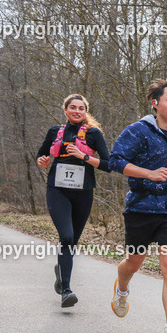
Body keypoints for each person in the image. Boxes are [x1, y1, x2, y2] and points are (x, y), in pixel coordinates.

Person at [108, 78, 167, 333]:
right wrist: (148, 173)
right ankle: (121, 288)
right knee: (134, 262)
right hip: (141, 207)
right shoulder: (138, 130)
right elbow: (115, 160)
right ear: (155, 103)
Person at [36, 94, 111, 308]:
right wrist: (42, 161)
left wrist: (83, 156)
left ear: (86, 111)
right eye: (73, 107)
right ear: (65, 109)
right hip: (57, 190)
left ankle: (61, 273)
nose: (77, 111)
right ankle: (66, 291)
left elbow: (107, 164)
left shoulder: (94, 134)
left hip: (83, 192)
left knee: (72, 242)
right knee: (66, 236)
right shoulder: (54, 131)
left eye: (81, 108)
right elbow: (41, 155)